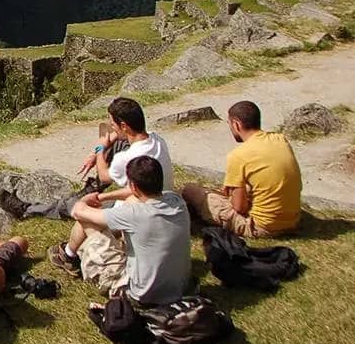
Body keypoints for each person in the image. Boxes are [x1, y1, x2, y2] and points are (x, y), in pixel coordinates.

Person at [49, 97, 173, 271]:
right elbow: (131, 189)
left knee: (85, 217)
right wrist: (110, 140)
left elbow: (104, 176)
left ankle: (68, 256)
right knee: (105, 204)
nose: (111, 129)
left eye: (113, 125)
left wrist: (100, 150)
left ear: (124, 126)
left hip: (139, 213)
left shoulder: (127, 158)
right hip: (163, 202)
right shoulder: (157, 140)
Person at [52, 155, 191, 305]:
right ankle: (73, 253)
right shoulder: (176, 201)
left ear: (134, 186)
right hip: (179, 287)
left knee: (88, 221)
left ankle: (68, 257)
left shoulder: (134, 215)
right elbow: (132, 195)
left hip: (139, 294)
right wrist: (102, 197)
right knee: (131, 201)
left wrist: (85, 200)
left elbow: (78, 212)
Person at [182, 100, 302, 237]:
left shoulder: (239, 156)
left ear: (236, 124)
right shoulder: (280, 139)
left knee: (190, 190)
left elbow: (239, 207)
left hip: (262, 226)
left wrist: (234, 195)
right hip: (293, 220)